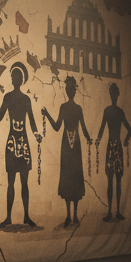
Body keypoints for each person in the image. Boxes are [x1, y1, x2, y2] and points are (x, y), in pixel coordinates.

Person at [0, 61, 41, 228]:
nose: (15, 79)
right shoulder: (8, 97)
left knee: (24, 182)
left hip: (22, 143)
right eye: (13, 76)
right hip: (12, 143)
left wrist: (36, 134)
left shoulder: (26, 99)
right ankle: (8, 217)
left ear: (21, 80)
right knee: (11, 182)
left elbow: (32, 120)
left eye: (17, 77)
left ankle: (26, 216)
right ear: (12, 79)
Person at [41, 75, 91, 228]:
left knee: (75, 178)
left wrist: (89, 138)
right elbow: (57, 126)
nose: (71, 91)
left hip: (74, 147)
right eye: (69, 89)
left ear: (75, 91)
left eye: (72, 89)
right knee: (68, 178)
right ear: (67, 90)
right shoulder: (64, 107)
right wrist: (47, 115)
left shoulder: (78, 108)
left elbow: (83, 126)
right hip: (67, 147)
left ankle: (74, 215)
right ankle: (69, 215)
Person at [95, 82, 131, 221]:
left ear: (118, 94)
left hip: (115, 148)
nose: (113, 95)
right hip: (112, 147)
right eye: (111, 93)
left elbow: (130, 130)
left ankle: (116, 212)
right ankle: (110, 212)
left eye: (114, 93)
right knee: (111, 180)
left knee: (117, 180)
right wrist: (98, 140)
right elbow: (102, 128)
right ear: (110, 94)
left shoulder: (118, 112)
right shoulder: (108, 111)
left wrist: (126, 140)